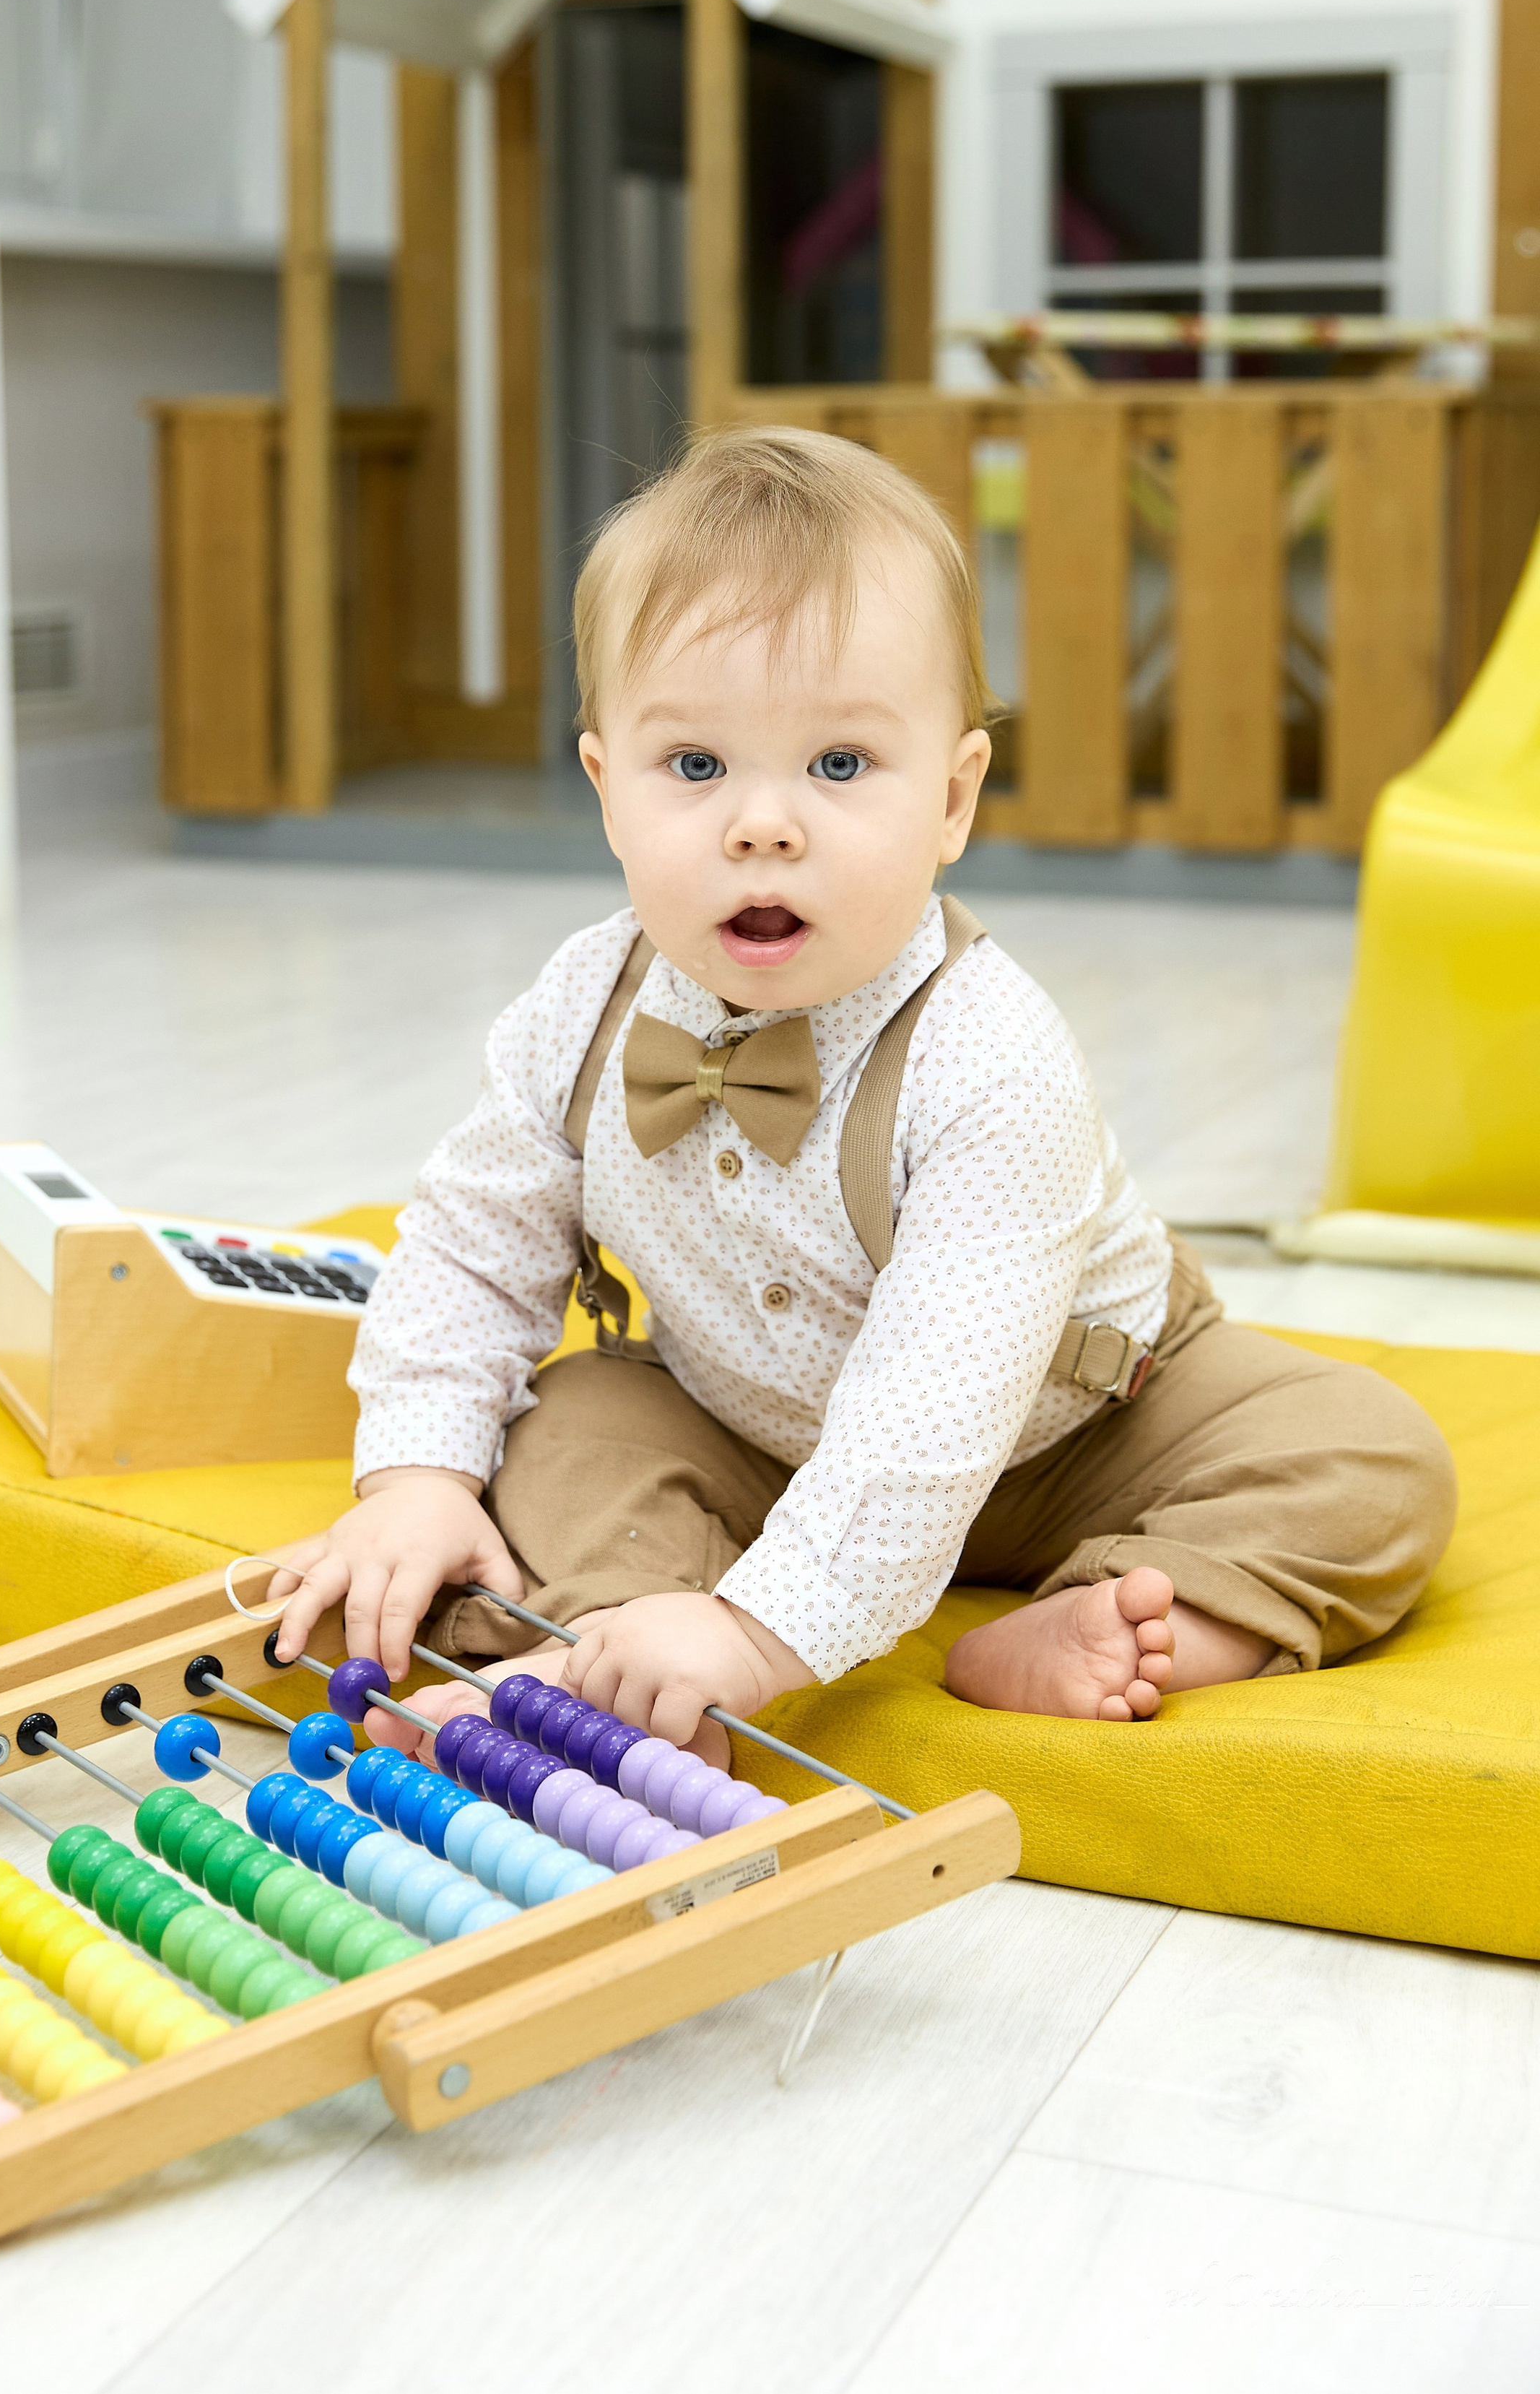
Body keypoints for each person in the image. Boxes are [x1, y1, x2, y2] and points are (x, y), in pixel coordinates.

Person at [265, 426, 1454, 1760]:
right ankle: (613, 1658)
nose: (762, 824)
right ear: (608, 792)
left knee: (1373, 1459)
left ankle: (1121, 1612)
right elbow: (472, 1246)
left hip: (1081, 1431)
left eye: (838, 767)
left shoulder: (992, 1059)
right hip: (752, 1431)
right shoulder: (583, 1008)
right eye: (697, 767)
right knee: (576, 1417)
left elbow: (935, 1414)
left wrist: (763, 1632)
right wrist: (417, 1475)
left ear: (951, 800)